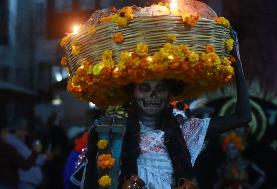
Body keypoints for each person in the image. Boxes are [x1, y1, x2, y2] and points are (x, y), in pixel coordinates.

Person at [60, 2, 252, 189]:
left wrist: (237, 63)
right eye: (144, 88)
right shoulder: (110, 131)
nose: (152, 95)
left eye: (160, 89)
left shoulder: (186, 131)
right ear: (131, 93)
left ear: (170, 94)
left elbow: (243, 117)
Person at [5, 118, 52, 189]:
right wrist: (44, 156)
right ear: (19, 130)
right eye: (24, 131)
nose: (26, 134)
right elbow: (32, 159)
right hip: (25, 183)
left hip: (27, 182)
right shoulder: (14, 142)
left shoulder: (16, 141)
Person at [0, 124, 41, 189]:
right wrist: (36, 152)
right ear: (2, 131)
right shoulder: (7, 147)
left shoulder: (10, 146)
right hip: (8, 184)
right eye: (6, 131)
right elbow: (24, 165)